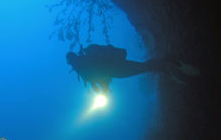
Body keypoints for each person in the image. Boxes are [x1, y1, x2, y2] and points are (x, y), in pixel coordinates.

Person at [66, 44, 200, 93]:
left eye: (71, 62)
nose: (73, 65)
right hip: (117, 69)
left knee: (144, 67)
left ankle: (168, 64)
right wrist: (103, 89)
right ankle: (166, 66)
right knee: (144, 67)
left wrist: (104, 90)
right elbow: (100, 78)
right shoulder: (84, 68)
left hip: (117, 69)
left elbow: (100, 77)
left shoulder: (84, 70)